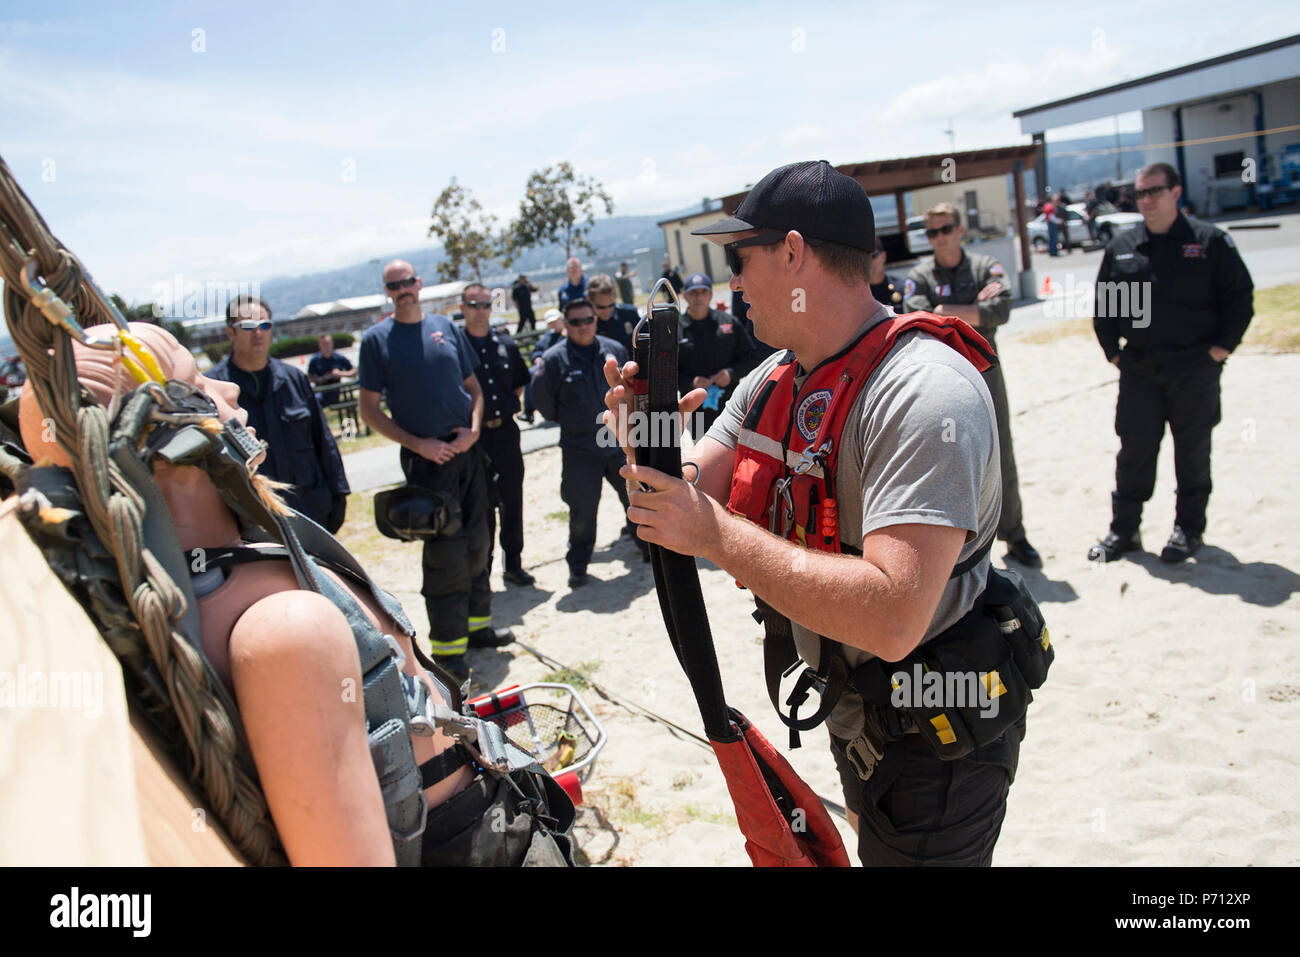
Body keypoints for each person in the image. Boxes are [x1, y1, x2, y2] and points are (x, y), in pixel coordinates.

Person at [605, 159, 1036, 866]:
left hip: (938, 735)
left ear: (795, 252)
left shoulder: (923, 393)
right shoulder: (776, 376)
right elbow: (679, 497)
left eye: (740, 260)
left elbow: (894, 616)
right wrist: (643, 438)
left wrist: (711, 533)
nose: (732, 283)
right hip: (854, 712)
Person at [18, 323, 571, 866]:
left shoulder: (227, 572)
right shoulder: (283, 630)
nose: (228, 389)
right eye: (199, 382)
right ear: (168, 442)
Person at [1087, 162, 1254, 564]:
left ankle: (1188, 531)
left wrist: (1220, 350)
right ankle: (1124, 531)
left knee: (1193, 453)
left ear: (1176, 193)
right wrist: (1114, 354)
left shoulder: (1210, 242)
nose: (1146, 200)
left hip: (1194, 368)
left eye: (1154, 191)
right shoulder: (1123, 247)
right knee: (1134, 453)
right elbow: (1105, 310)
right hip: (1140, 371)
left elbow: (1240, 299)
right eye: (1140, 193)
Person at [358, 260, 512, 681]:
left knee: (480, 539)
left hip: (468, 453)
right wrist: (418, 445)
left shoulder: (446, 326)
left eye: (408, 281)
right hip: (427, 461)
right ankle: (449, 653)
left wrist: (475, 431)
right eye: (394, 285)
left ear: (419, 284)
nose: (403, 289)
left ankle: (479, 628)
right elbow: (368, 409)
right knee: (446, 555)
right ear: (388, 292)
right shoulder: (376, 341)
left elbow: (474, 389)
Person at [905, 203, 1042, 568]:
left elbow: (1002, 307)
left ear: (960, 229)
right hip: (943, 381)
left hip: (986, 375)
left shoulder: (984, 266)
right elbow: (919, 317)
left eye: (945, 229)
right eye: (932, 233)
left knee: (1001, 455)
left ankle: (1015, 534)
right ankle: (961, 553)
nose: (940, 238)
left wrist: (945, 310)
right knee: (949, 460)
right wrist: (969, 310)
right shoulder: (919, 275)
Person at [207, 297, 350, 534]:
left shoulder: (294, 379)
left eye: (264, 325)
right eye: (248, 326)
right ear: (230, 333)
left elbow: (323, 440)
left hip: (309, 507)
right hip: (253, 518)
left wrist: (339, 492)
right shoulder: (215, 388)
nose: (258, 333)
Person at [533, 297, 645, 588]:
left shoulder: (614, 350)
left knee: (636, 500)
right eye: (575, 322)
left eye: (588, 320)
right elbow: (544, 403)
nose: (583, 326)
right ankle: (579, 566)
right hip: (580, 450)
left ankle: (649, 551)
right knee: (582, 511)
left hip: (619, 445)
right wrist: (574, 421)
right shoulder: (554, 360)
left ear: (596, 320)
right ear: (565, 325)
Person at [460, 282, 535, 586]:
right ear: (462, 308)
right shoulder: (456, 347)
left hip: (505, 431)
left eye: (485, 304)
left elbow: (518, 383)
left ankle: (513, 565)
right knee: (481, 505)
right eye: (473, 305)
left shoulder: (506, 343)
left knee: (512, 499)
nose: (480, 311)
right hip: (475, 439)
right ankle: (483, 571)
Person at [676, 271, 756, 439]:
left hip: (730, 406)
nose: (699, 297)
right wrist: (691, 382)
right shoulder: (676, 330)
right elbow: (667, 372)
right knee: (703, 457)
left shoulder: (728, 322)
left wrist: (731, 374)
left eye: (703, 292)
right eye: (693, 293)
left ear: (710, 294)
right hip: (696, 410)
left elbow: (751, 358)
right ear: (685, 296)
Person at [517, 308, 565, 425]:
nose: (552, 324)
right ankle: (529, 411)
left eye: (554, 321)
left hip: (561, 365)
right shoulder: (548, 336)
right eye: (550, 323)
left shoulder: (567, 333)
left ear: (561, 319)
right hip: (545, 366)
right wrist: (537, 358)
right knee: (531, 374)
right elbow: (537, 350)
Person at [586, 273, 639, 356]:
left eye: (611, 305)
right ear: (589, 300)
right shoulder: (584, 324)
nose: (607, 311)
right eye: (601, 307)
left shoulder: (630, 315)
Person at [307, 332, 355, 408]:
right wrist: (322, 379)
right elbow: (309, 377)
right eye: (324, 344)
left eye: (328, 344)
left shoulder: (339, 358)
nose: (327, 347)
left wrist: (340, 373)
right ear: (319, 345)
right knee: (313, 401)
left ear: (332, 343)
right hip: (321, 391)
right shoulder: (315, 360)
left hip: (335, 391)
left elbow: (353, 372)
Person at [868, 237, 905, 309]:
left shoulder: (901, 287)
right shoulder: (858, 294)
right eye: (865, 258)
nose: (869, 262)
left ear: (883, 257)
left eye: (873, 256)